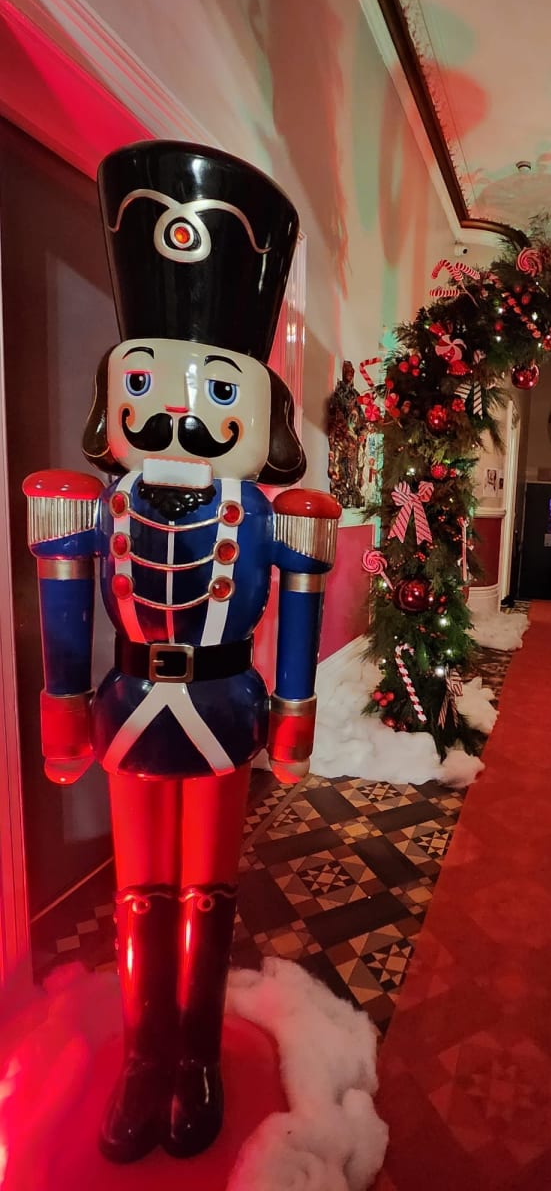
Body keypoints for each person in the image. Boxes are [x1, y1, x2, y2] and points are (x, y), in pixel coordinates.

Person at [23, 140, 340, 1163]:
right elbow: (65, 611)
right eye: (148, 380)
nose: (176, 409)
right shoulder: (92, 503)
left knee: (208, 886)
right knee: (137, 890)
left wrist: (294, 716)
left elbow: (298, 624)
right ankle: (142, 1056)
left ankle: (194, 1055)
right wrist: (62, 706)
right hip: (127, 706)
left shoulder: (278, 515)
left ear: (258, 409)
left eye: (213, 391)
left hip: (223, 707)